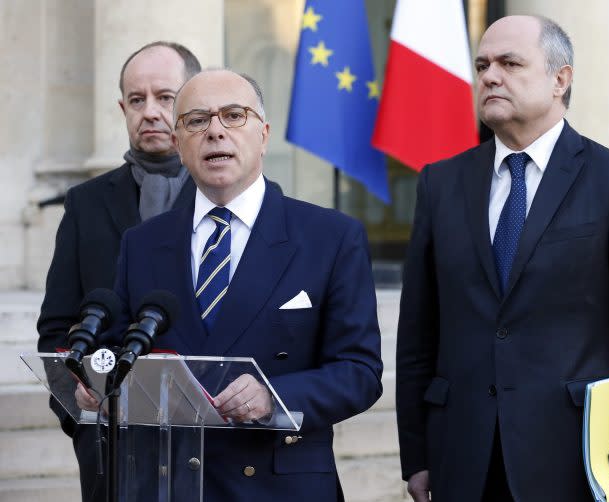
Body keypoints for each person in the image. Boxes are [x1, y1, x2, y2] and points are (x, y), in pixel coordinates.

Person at [395, 15, 609, 502]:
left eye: (510, 63)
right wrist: (417, 456)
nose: (490, 76)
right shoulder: (439, 184)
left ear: (560, 79)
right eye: (483, 64)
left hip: (571, 459)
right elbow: (418, 336)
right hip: (460, 458)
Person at [75, 69, 383, 501]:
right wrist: (96, 383)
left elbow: (360, 373)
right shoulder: (143, 243)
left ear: (264, 135)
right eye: (197, 121)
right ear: (179, 144)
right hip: (169, 483)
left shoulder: (331, 237)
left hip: (277, 485)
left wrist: (273, 396)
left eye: (233, 116)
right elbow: (119, 350)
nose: (215, 131)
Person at [37, 41, 202, 501]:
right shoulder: (85, 203)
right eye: (136, 99)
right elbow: (55, 330)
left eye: (165, 98)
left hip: (215, 446)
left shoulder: (230, 200)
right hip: (112, 447)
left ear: (194, 103)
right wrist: (83, 417)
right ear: (122, 107)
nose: (150, 112)